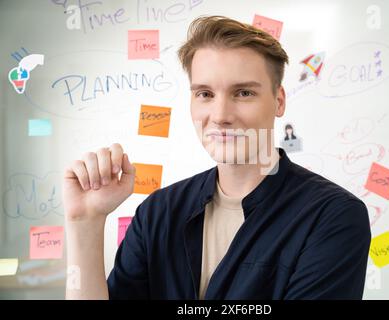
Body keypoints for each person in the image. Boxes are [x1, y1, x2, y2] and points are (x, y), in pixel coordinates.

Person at [63, 15, 371, 300]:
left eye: (243, 93)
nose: (221, 116)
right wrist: (85, 224)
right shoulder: (156, 214)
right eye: (205, 94)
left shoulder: (333, 217)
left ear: (278, 101)